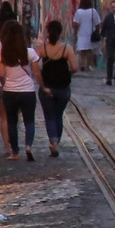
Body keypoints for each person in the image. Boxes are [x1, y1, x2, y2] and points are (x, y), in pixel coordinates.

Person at [0, 18, 39, 158]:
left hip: (10, 91)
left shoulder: (4, 53)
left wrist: (5, 82)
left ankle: (15, 152)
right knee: (29, 120)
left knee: (12, 121)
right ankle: (29, 146)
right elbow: (36, 72)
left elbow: (1, 73)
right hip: (28, 92)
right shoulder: (29, 52)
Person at [37, 17, 74, 159]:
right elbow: (75, 67)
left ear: (48, 32)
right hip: (63, 88)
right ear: (60, 32)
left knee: (49, 116)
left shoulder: (42, 49)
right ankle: (56, 140)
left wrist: (40, 78)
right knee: (59, 115)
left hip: (47, 87)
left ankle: (54, 142)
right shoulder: (67, 49)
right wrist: (67, 73)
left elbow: (33, 64)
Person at [72, 0, 100, 73]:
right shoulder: (93, 11)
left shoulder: (79, 12)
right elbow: (97, 23)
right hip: (90, 34)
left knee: (81, 52)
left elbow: (75, 24)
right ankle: (87, 66)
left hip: (81, 34)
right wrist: (96, 31)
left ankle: (81, 65)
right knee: (89, 51)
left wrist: (75, 33)